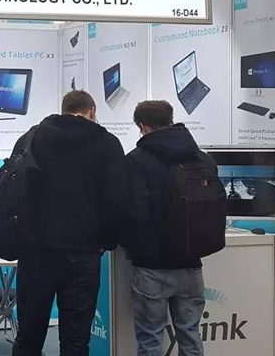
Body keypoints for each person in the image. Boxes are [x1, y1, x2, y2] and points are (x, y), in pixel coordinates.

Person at [12, 90, 127, 356]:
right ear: (92, 111)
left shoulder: (31, 138)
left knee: (28, 338)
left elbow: (16, 192)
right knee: (76, 342)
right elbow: (117, 199)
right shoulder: (108, 144)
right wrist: (106, 241)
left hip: (35, 251)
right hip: (83, 253)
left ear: (63, 109)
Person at [124, 100, 206, 356]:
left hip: (152, 265)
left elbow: (133, 213)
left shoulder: (136, 160)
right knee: (190, 335)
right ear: (170, 120)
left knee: (150, 340)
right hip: (191, 263)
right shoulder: (199, 157)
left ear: (143, 126)